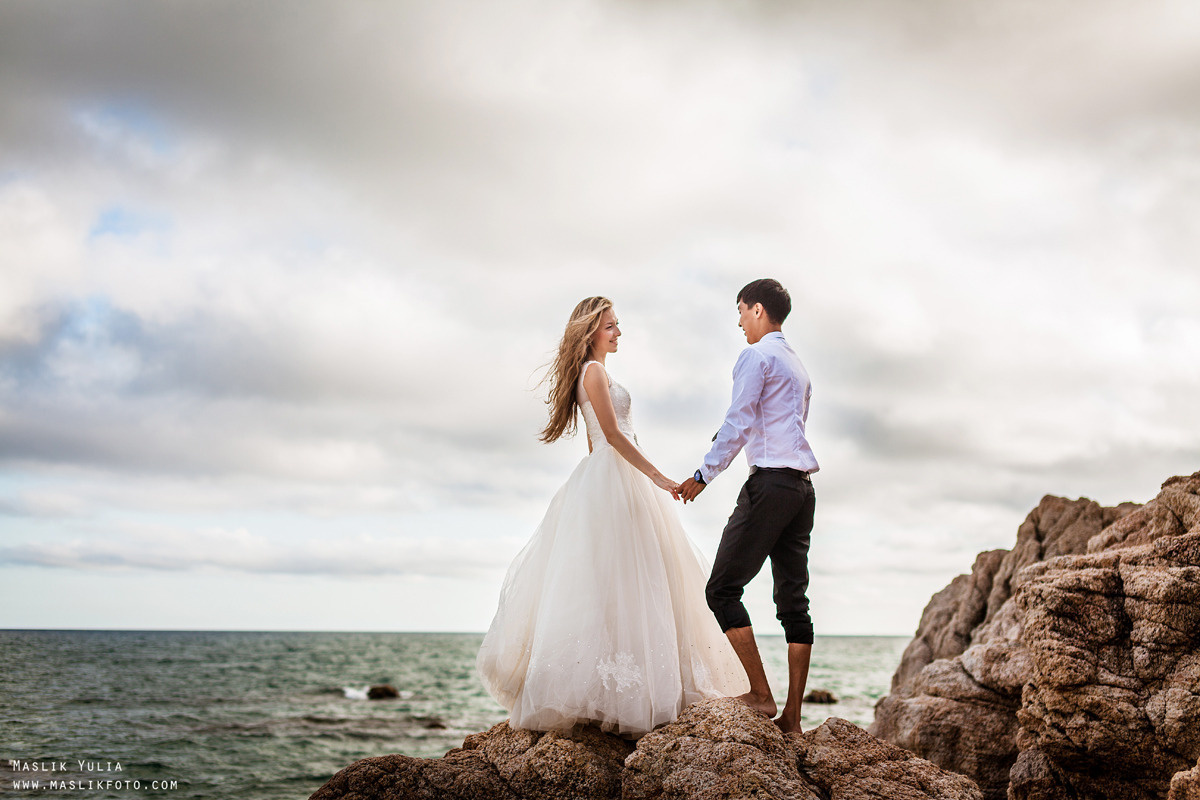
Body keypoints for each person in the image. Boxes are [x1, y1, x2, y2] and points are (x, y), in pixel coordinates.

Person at [477, 296, 748, 737]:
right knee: (629, 580)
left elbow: (597, 442)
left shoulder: (595, 373)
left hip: (609, 477)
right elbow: (614, 438)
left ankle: (617, 690)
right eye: (611, 326)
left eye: (618, 325)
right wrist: (660, 478)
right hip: (615, 474)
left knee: (621, 581)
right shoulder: (595, 372)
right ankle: (625, 693)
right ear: (591, 331)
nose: (618, 332)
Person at [678, 278, 819, 734]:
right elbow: (784, 424)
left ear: (758, 309)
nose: (739, 322)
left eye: (740, 311)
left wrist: (703, 475)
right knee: (793, 601)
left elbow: (738, 422)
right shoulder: (797, 365)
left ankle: (760, 695)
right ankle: (793, 719)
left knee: (721, 590)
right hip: (801, 489)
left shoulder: (755, 356)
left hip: (772, 485)